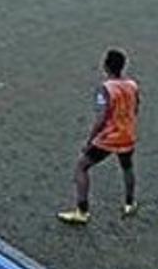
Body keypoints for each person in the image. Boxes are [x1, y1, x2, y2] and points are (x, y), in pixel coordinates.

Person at [57, 49, 140, 224]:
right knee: (127, 166)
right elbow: (136, 107)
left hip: (110, 136)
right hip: (128, 134)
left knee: (82, 166)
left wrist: (90, 140)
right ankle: (130, 203)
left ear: (105, 66)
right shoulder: (132, 85)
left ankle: (82, 210)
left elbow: (102, 117)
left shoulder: (106, 88)